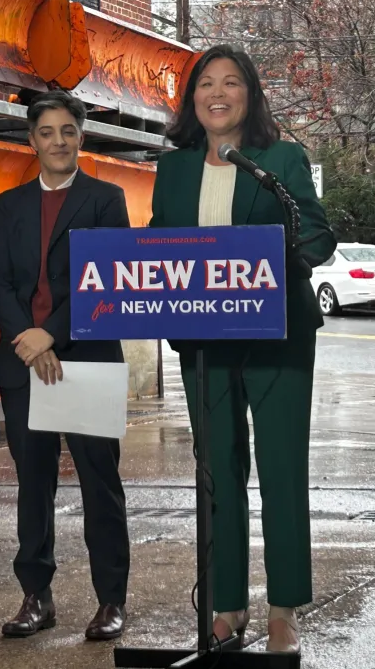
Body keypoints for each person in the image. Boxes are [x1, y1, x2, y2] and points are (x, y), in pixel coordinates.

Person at [148, 44, 336, 654]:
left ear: (249, 95)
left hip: (277, 338)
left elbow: (315, 231)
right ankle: (228, 603)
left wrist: (278, 262)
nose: (218, 93)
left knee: (281, 469)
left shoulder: (280, 158)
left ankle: (284, 608)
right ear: (192, 98)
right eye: (206, 83)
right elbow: (159, 245)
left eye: (231, 83)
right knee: (217, 475)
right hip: (204, 343)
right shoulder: (173, 168)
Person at [0, 89, 132, 641]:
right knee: (34, 483)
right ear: (32, 141)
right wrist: (28, 337)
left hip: (86, 359)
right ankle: (35, 597)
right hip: (25, 363)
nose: (58, 141)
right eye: (47, 132)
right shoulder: (9, 205)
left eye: (67, 130)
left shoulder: (105, 199)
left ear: (80, 136)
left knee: (100, 482)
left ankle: (111, 600)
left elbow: (112, 278)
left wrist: (54, 332)